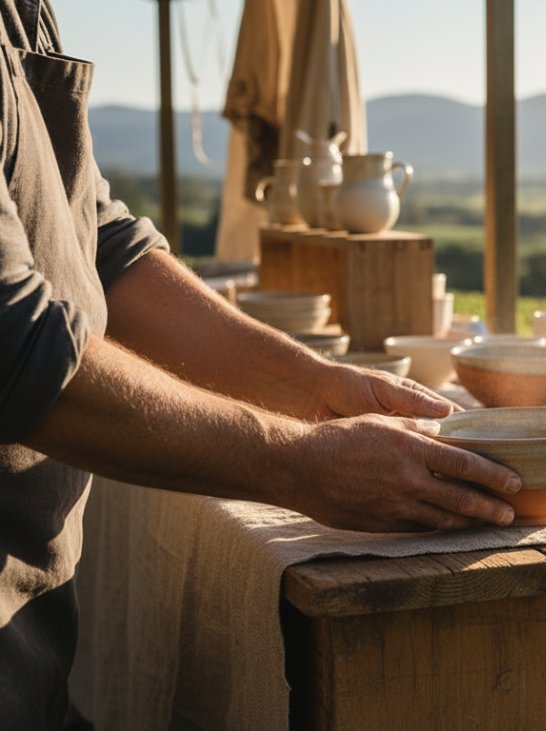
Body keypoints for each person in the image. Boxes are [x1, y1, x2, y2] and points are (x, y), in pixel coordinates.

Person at [0, 2, 519, 727]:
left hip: (32, 628)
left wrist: (317, 385)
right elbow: (14, 351)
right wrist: (302, 463)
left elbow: (100, 243)